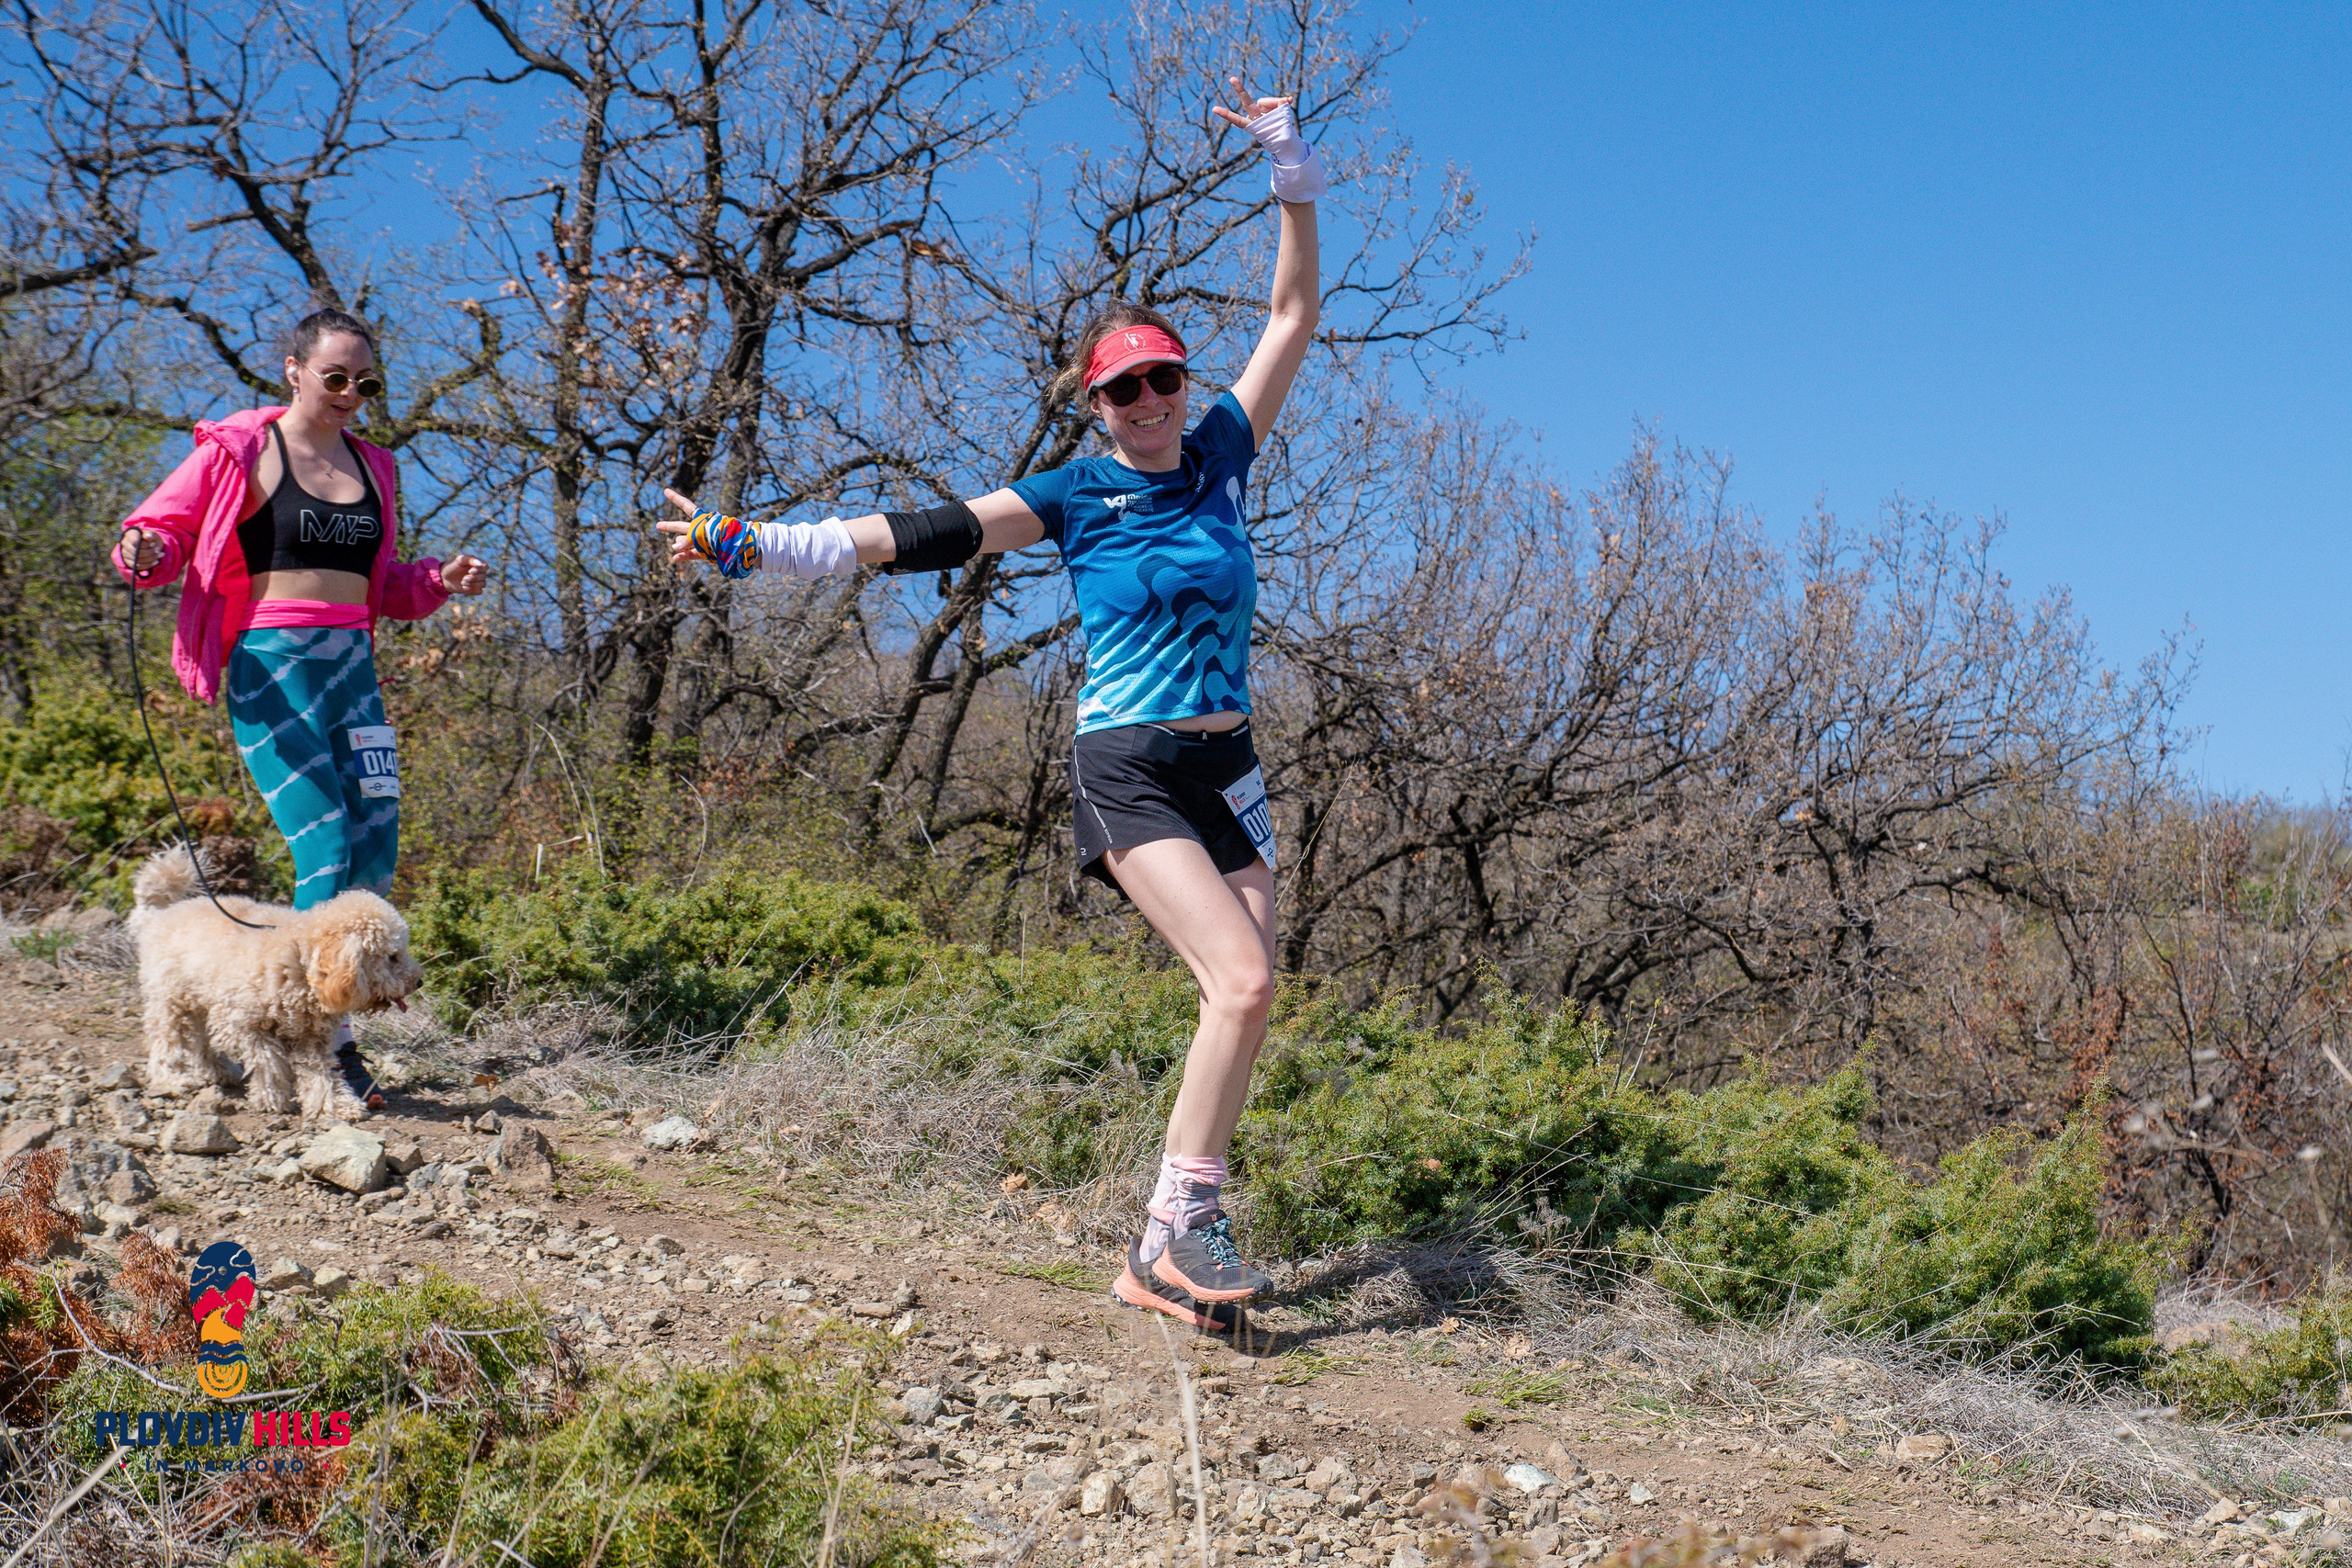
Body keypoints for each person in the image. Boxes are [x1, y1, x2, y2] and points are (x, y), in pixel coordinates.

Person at [655, 77, 1323, 1326]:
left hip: (1229, 770)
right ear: (1097, 406)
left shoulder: (1224, 446)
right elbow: (921, 534)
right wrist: (756, 544)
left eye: (1165, 378)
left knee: (1252, 987)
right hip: (1127, 762)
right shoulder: (1077, 491)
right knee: (1234, 982)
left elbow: (1293, 308)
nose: (1153, 402)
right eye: (1125, 390)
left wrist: (1290, 163)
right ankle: (1190, 1216)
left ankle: (1152, 1254)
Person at [114, 308, 489, 1111]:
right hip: (270, 667)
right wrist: (141, 549)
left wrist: (436, 581)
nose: (352, 393)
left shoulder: (377, 468)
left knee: (375, 844)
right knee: (324, 846)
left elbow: (382, 584)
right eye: (336, 377)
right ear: (294, 370)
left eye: (367, 381)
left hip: (354, 670)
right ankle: (325, 1044)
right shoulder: (241, 448)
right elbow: (163, 533)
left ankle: (335, 1029)